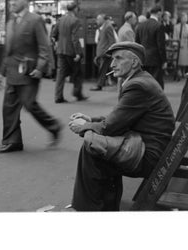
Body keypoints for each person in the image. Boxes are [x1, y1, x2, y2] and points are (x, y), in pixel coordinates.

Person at [68, 42, 175, 211]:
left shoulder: (137, 86)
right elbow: (121, 117)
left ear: (134, 62)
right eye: (112, 59)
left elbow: (110, 127)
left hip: (148, 154)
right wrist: (90, 119)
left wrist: (84, 126)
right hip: (149, 146)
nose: (112, 64)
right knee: (98, 146)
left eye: (118, 58)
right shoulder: (140, 79)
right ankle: (102, 207)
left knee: (93, 147)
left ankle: (88, 209)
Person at [0, 0, 62, 153]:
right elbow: (8, 51)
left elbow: (44, 47)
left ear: (26, 0)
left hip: (29, 72)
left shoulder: (35, 20)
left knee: (30, 104)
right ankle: (12, 141)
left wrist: (40, 68)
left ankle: (54, 126)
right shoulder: (10, 22)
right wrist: (0, 73)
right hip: (12, 72)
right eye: (11, 0)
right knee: (8, 107)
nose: (13, 3)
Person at [53, 2, 87, 103]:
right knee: (78, 73)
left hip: (60, 50)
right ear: (75, 9)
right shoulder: (75, 21)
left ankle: (58, 96)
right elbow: (75, 38)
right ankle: (77, 93)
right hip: (71, 51)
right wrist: (78, 53)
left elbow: (54, 34)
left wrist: (56, 44)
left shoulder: (61, 19)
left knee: (60, 74)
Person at [135, 5, 167, 88]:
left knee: (145, 83)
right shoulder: (159, 25)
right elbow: (161, 45)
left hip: (143, 58)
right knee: (156, 84)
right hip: (155, 59)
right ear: (159, 13)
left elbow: (136, 44)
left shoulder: (140, 26)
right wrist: (164, 60)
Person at [90, 14, 117, 91]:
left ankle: (99, 85)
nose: (96, 21)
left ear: (103, 20)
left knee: (103, 69)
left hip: (105, 53)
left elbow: (112, 41)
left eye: (98, 19)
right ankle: (101, 84)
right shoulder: (102, 28)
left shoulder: (108, 27)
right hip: (103, 53)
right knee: (106, 69)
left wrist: (109, 52)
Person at [173, 12, 188, 79]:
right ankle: (179, 70)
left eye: (186, 18)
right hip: (180, 45)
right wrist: (176, 44)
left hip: (186, 44)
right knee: (179, 59)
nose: (185, 19)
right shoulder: (176, 26)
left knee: (185, 60)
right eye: (184, 18)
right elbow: (175, 36)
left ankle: (183, 72)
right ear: (181, 18)